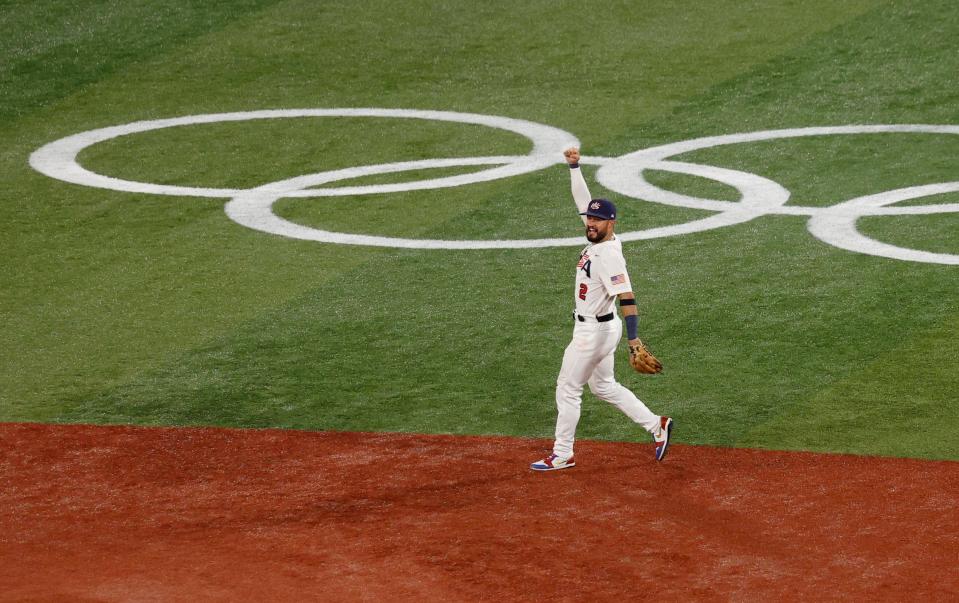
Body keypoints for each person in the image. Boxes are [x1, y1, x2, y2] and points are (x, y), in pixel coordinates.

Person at [530, 146, 673, 471]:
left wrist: (635, 340)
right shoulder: (600, 237)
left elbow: (628, 297)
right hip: (598, 327)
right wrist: (574, 167)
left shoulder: (608, 255)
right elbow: (583, 200)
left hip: (593, 331)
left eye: (598, 219)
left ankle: (563, 453)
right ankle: (656, 425)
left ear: (612, 223)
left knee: (567, 388)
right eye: (589, 218)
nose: (590, 223)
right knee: (603, 386)